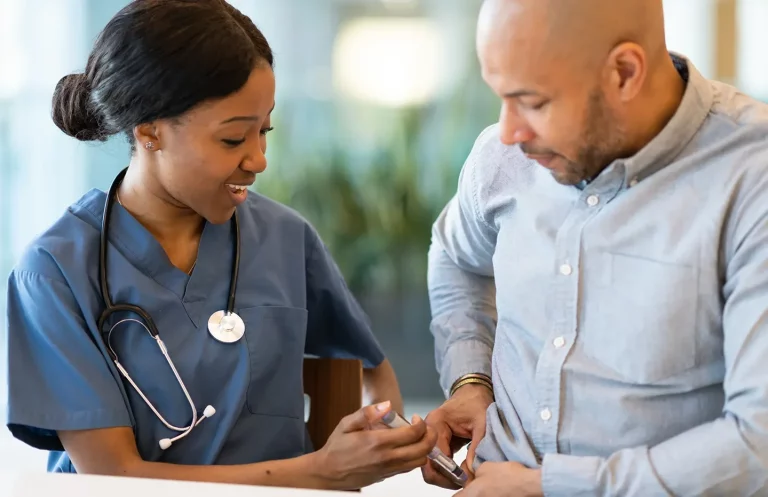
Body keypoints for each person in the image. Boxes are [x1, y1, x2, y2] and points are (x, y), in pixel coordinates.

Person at [4, 0, 437, 491]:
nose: (259, 159)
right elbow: (113, 477)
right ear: (149, 131)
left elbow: (370, 371)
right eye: (233, 140)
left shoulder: (286, 239)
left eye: (264, 131)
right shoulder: (54, 271)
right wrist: (319, 473)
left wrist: (385, 438)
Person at [424, 0, 768, 495]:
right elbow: (455, 257)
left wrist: (547, 486)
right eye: (501, 97)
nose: (508, 133)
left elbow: (756, 444)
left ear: (625, 73)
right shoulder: (503, 157)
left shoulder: (750, 178)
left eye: (534, 102)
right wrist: (470, 379)